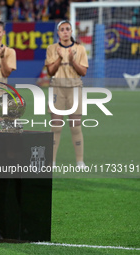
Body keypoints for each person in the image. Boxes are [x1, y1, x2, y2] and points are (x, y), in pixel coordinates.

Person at [45, 20, 88, 167]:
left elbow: (83, 72)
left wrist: (72, 61)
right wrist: (59, 58)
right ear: (58, 33)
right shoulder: (52, 49)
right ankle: (52, 161)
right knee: (56, 126)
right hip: (57, 88)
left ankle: (80, 161)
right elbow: (50, 71)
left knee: (75, 127)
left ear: (71, 32)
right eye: (62, 29)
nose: (65, 32)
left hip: (75, 88)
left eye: (67, 29)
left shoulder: (80, 49)